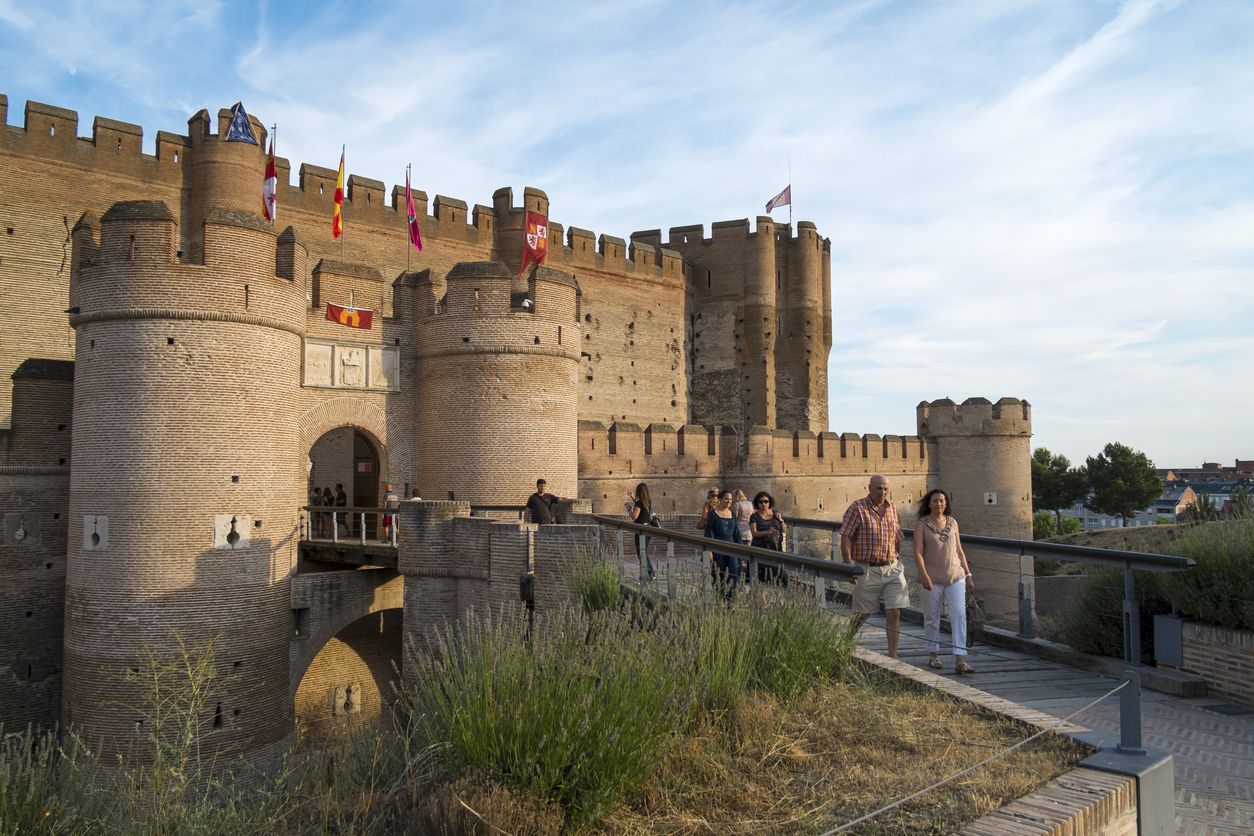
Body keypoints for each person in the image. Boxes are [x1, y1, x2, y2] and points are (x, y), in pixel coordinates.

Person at [841, 474, 907, 658]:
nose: (883, 492)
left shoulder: (893, 508)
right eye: (879, 488)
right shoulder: (857, 507)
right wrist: (848, 565)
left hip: (892, 567)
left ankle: (893, 655)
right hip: (867, 568)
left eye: (886, 488)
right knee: (862, 613)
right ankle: (845, 643)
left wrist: (897, 558)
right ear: (869, 488)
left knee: (894, 611)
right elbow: (846, 535)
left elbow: (897, 536)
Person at [913, 488, 975, 674]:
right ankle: (933, 654)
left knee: (959, 615)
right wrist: (923, 574)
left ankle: (960, 659)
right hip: (931, 577)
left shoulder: (953, 523)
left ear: (946, 504)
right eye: (935, 501)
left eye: (941, 501)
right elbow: (917, 551)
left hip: (955, 575)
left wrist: (968, 574)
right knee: (932, 617)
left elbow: (959, 550)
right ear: (929, 504)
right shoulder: (921, 524)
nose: (938, 504)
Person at [699, 490, 740, 599]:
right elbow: (709, 531)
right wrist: (709, 549)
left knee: (734, 575)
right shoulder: (713, 514)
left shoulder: (733, 514)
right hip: (717, 549)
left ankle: (731, 601)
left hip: (732, 549)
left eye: (731, 499)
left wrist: (742, 549)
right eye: (726, 498)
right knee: (719, 576)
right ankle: (720, 600)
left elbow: (737, 533)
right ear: (720, 499)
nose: (729, 501)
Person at [749, 491, 788, 585]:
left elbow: (784, 530)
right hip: (761, 550)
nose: (763, 504)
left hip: (775, 550)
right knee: (762, 579)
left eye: (766, 501)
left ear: (769, 502)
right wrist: (768, 532)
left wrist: (781, 520)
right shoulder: (754, 516)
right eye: (760, 502)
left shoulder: (776, 514)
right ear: (757, 504)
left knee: (780, 576)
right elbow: (753, 533)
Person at [624, 482, 658, 580]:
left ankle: (644, 577)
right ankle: (651, 574)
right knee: (643, 553)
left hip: (641, 531)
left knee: (641, 554)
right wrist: (632, 497)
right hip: (648, 530)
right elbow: (640, 505)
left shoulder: (639, 503)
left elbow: (634, 516)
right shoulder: (648, 502)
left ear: (639, 491)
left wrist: (629, 508)